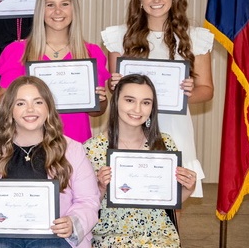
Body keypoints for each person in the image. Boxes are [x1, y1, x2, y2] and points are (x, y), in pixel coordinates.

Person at [100, 0, 214, 197]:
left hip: (175, 126)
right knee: (126, 196)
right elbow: (115, 90)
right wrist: (115, 85)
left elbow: (207, 90)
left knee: (173, 202)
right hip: (130, 127)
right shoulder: (119, 37)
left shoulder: (195, 38)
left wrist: (188, 93)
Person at [0, 76, 100, 248]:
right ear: (9, 110)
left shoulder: (72, 150)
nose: (30, 109)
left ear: (48, 108)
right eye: (20, 103)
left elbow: (88, 200)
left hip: (52, 237)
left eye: (38, 102)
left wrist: (72, 222)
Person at [84, 75, 199, 247]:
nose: (137, 109)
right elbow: (85, 206)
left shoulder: (165, 144)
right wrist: (100, 187)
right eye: (130, 100)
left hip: (159, 238)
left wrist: (188, 189)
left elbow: (169, 201)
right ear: (116, 102)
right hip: (112, 238)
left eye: (146, 102)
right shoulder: (92, 149)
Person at [0, 0, 109, 143]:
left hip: (75, 142)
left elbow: (97, 112)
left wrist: (101, 101)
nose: (57, 11)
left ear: (74, 9)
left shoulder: (92, 53)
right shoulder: (17, 51)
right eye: (50, 5)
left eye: (64, 4)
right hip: (30, 142)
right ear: (41, 10)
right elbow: (2, 98)